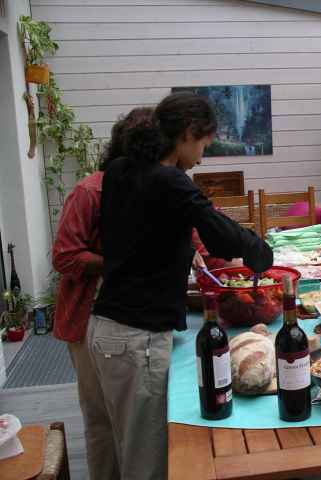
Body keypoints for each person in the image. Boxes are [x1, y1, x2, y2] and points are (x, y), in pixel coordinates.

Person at [88, 91, 273, 480]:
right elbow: (222, 235)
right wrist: (262, 253)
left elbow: (142, 230)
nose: (203, 156)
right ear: (188, 133)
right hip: (138, 338)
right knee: (147, 463)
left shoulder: (121, 169)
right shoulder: (168, 180)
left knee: (127, 445)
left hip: (106, 331)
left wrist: (180, 247)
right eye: (204, 143)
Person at [52, 106, 154, 480]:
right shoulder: (89, 191)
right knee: (101, 419)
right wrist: (119, 261)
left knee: (141, 418)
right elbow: (64, 256)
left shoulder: (155, 188)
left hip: (143, 319)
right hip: (89, 318)